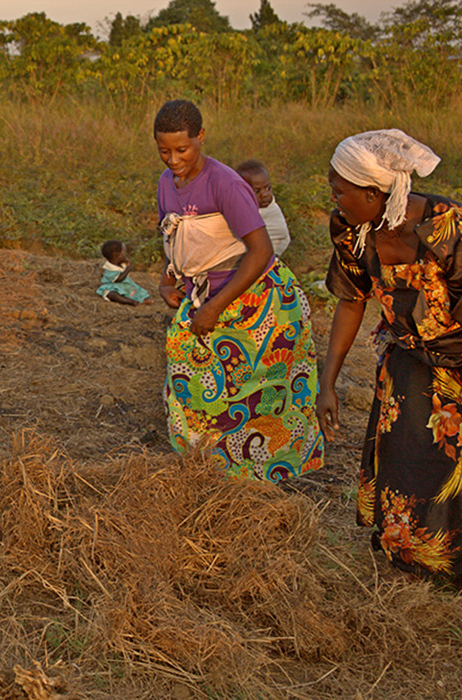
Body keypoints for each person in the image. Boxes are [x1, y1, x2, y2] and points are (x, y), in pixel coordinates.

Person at [318, 128, 462, 580]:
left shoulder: (447, 226)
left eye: (341, 191)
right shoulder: (350, 228)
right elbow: (352, 299)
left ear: (374, 192)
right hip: (405, 359)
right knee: (404, 462)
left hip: (458, 362)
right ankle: (411, 561)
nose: (335, 199)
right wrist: (328, 382)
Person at [155, 99, 323, 481]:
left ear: (200, 137)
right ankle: (209, 474)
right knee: (189, 390)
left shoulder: (225, 183)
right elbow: (171, 236)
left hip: (256, 302)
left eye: (182, 149)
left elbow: (261, 251)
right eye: (164, 150)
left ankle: (260, 486)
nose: (173, 159)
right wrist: (168, 280)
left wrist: (214, 308)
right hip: (203, 299)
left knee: (262, 398)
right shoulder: (166, 183)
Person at [236, 159, 291, 257]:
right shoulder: (238, 209)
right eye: (257, 191)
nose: (265, 195)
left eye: (268, 188)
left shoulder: (271, 209)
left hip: (270, 257)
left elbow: (281, 234)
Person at [96, 239, 151, 306]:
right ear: (116, 255)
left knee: (138, 291)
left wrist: (126, 266)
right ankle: (130, 301)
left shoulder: (120, 264)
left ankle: (142, 300)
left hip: (125, 286)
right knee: (112, 294)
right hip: (114, 287)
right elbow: (118, 279)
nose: (126, 255)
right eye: (124, 253)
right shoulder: (109, 268)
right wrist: (127, 270)